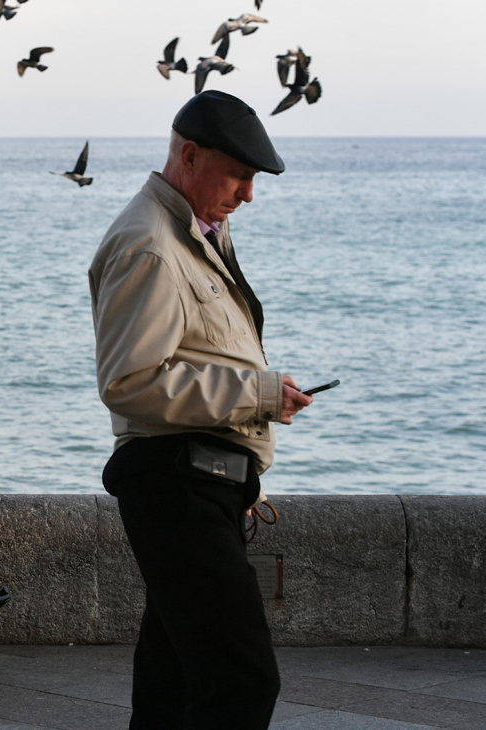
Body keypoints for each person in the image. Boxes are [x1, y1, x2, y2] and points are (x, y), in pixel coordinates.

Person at [88, 90, 313, 729]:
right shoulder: (151, 245)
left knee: (175, 688)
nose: (247, 194)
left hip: (195, 482)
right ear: (189, 155)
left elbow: (193, 358)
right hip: (178, 485)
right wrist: (259, 394)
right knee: (241, 684)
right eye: (239, 175)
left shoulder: (191, 234)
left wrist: (263, 394)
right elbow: (130, 382)